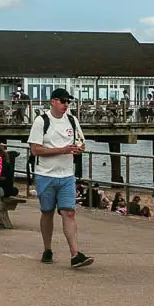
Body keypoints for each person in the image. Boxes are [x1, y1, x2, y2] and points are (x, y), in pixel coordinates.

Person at [28, 88, 93, 268]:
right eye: (63, 101)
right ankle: (47, 249)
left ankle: (75, 254)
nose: (66, 105)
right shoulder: (42, 121)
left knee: (69, 213)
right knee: (47, 213)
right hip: (45, 175)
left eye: (68, 102)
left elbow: (81, 142)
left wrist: (79, 148)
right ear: (53, 101)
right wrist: (62, 150)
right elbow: (35, 150)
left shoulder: (72, 120)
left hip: (67, 175)